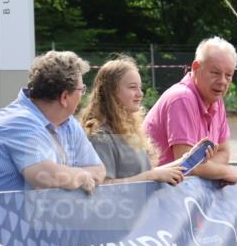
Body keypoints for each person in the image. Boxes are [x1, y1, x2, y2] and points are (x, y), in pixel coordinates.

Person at [80, 55, 211, 186]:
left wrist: (189, 158)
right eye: (132, 87)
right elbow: (103, 187)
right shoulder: (100, 137)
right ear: (111, 92)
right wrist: (150, 176)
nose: (140, 93)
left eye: (140, 87)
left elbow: (148, 175)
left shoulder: (130, 131)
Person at [0, 51, 105, 193]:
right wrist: (81, 176)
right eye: (81, 90)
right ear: (64, 97)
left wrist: (70, 177)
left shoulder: (68, 123)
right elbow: (44, 176)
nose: (81, 95)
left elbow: (98, 170)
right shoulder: (16, 122)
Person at [143, 37, 237, 185]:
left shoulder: (216, 99)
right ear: (195, 67)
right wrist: (225, 172)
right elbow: (187, 164)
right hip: (154, 193)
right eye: (215, 72)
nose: (222, 81)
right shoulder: (182, 98)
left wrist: (207, 168)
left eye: (228, 75)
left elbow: (224, 152)